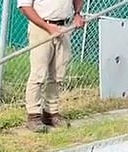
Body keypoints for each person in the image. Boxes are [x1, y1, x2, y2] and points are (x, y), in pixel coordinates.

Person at [18, 0, 85, 133]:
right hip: (42, 28)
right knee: (38, 75)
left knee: (58, 74)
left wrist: (77, 14)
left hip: (64, 27)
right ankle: (33, 116)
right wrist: (49, 28)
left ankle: (51, 113)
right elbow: (25, 7)